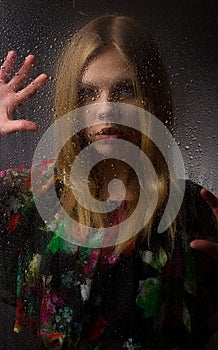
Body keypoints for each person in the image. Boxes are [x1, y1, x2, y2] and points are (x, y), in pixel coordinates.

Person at [0, 14, 217, 350]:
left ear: (151, 96)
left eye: (125, 89)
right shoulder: (33, 194)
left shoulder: (193, 210)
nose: (105, 108)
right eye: (87, 92)